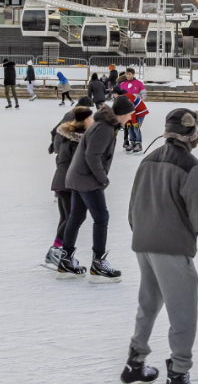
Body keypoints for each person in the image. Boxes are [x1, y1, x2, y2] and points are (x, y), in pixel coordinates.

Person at [121, 109, 198, 384]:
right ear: (189, 134)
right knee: (183, 312)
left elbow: (132, 209)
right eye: (197, 132)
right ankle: (179, 372)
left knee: (149, 303)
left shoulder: (148, 160)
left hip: (144, 245)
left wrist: (145, 237)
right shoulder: (191, 167)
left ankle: (135, 361)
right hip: (171, 249)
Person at [58, 95, 135, 282]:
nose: (131, 118)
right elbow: (92, 156)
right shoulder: (105, 128)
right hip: (87, 179)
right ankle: (98, 264)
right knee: (101, 218)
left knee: (76, 216)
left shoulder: (105, 124)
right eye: (130, 114)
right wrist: (103, 179)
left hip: (78, 176)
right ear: (123, 114)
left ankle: (65, 260)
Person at [46, 106, 93, 273]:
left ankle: (58, 251)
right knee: (72, 218)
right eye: (90, 119)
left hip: (61, 181)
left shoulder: (66, 138)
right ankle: (56, 251)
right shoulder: (76, 141)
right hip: (67, 183)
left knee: (66, 217)